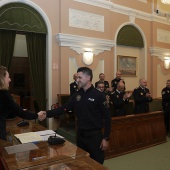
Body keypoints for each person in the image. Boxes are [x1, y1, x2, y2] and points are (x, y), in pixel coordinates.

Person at [39, 67, 111, 164]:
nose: (77, 80)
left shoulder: (99, 96)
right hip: (80, 136)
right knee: (80, 163)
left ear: (88, 77)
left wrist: (106, 138)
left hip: (94, 137)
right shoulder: (77, 95)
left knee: (96, 165)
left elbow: (107, 118)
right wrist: (47, 113)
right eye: (77, 78)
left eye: (80, 78)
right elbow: (63, 108)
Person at [0, 66, 42, 141]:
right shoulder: (4, 94)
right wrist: (37, 115)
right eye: (8, 77)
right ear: (2, 79)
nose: (10, 79)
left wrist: (19, 110)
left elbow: (4, 110)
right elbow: (20, 113)